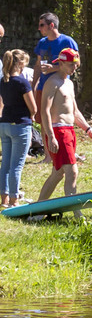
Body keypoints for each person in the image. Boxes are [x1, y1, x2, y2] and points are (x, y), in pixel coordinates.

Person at [37, 49, 92, 202]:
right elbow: (44, 111)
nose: (74, 68)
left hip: (69, 130)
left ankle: (37, 209)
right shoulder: (52, 82)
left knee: (57, 173)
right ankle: (76, 212)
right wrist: (51, 136)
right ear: (60, 63)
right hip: (58, 130)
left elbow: (74, 111)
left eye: (75, 65)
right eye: (70, 65)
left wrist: (89, 130)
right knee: (72, 171)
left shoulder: (69, 83)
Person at [0, 49, 38, 207]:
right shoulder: (22, 82)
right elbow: (33, 108)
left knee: (6, 164)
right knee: (17, 165)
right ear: (20, 63)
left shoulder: (3, 81)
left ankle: (4, 199)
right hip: (20, 126)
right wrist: (33, 114)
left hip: (4, 124)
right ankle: (14, 201)